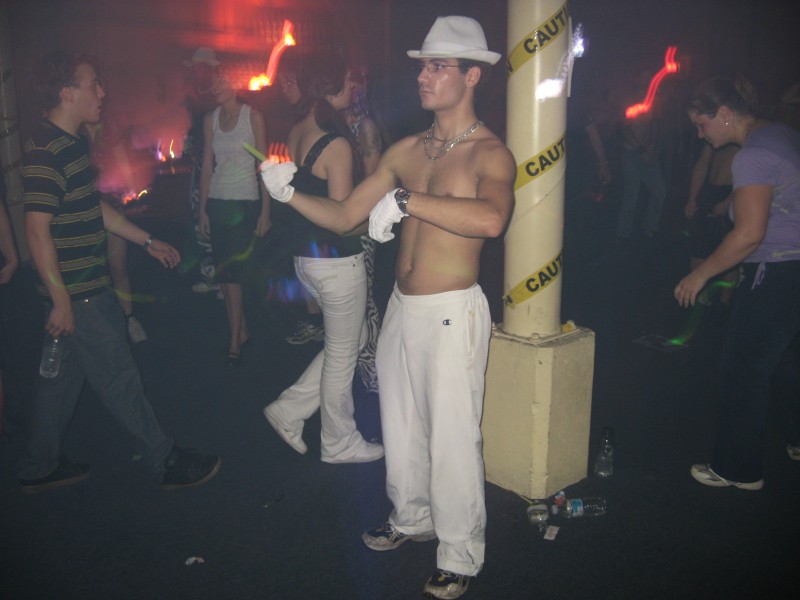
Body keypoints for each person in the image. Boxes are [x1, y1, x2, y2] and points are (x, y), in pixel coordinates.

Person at [260, 16, 515, 599]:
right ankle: (412, 516)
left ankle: (460, 554)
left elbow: (491, 220)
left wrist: (406, 200)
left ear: (472, 75)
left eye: (437, 66)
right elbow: (345, 216)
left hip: (452, 311)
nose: (422, 76)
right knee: (399, 425)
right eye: (422, 66)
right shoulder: (405, 149)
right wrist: (289, 192)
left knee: (452, 436)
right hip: (401, 305)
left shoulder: (489, 154)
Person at [18, 50, 221, 493]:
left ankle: (39, 465)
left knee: (60, 381)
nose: (102, 92)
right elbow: (36, 231)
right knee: (119, 376)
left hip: (75, 291)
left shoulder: (70, 142)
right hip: (80, 293)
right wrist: (62, 300)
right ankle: (164, 459)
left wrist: (146, 240)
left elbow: (93, 208)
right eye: (93, 84)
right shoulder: (47, 150)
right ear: (67, 93)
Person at [674, 75, 800, 491]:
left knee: (742, 370)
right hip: (793, 269)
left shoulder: (754, 154)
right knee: (782, 361)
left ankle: (737, 469)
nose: (700, 134)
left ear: (725, 114)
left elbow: (748, 234)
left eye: (702, 124)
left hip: (779, 271)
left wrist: (700, 274)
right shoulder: (780, 134)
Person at [261, 52, 384, 465]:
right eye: (347, 81)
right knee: (343, 354)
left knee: (351, 340)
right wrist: (381, 219)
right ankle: (338, 441)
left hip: (308, 258)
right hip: (336, 261)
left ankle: (289, 409)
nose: (353, 87)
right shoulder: (336, 144)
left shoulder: (298, 129)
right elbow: (342, 218)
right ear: (329, 86)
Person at [199, 74, 270, 366]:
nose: (215, 87)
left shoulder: (253, 117)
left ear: (236, 84)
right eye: (214, 83)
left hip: (244, 201)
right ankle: (240, 332)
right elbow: (207, 164)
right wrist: (203, 208)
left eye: (222, 82)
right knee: (225, 274)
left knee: (234, 275)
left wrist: (266, 211)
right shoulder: (211, 119)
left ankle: (234, 341)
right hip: (218, 201)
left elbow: (264, 165)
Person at [82, 119, 149, 343]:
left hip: (112, 204)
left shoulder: (110, 132)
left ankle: (129, 318)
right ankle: (98, 325)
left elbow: (124, 167)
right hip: (85, 209)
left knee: (118, 267)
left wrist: (133, 195)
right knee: (92, 271)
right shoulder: (74, 134)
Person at [342, 66, 387, 394]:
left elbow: (373, 184)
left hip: (362, 224)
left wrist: (357, 221)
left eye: (354, 84)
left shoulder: (365, 126)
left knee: (366, 298)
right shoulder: (336, 122)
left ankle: (372, 369)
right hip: (342, 220)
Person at [183, 48, 223, 298]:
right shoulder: (196, 96)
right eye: (195, 68)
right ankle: (211, 275)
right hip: (201, 166)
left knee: (211, 215)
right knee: (199, 215)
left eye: (200, 68)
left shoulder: (216, 97)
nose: (196, 72)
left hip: (216, 168)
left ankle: (221, 277)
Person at [684, 142, 739, 305]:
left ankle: (724, 302)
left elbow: (747, 175)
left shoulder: (743, 140)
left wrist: (729, 201)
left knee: (730, 250)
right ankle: (700, 298)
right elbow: (702, 164)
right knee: (698, 247)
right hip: (709, 192)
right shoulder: (712, 137)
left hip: (732, 191)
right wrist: (692, 197)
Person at [615, 70, 668, 241]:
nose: (646, 80)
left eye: (648, 77)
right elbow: (624, 129)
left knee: (659, 191)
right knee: (631, 195)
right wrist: (641, 149)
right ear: (637, 79)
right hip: (631, 153)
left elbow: (655, 125)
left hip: (648, 153)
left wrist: (651, 147)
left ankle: (649, 225)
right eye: (643, 77)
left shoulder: (653, 100)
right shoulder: (628, 100)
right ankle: (623, 234)